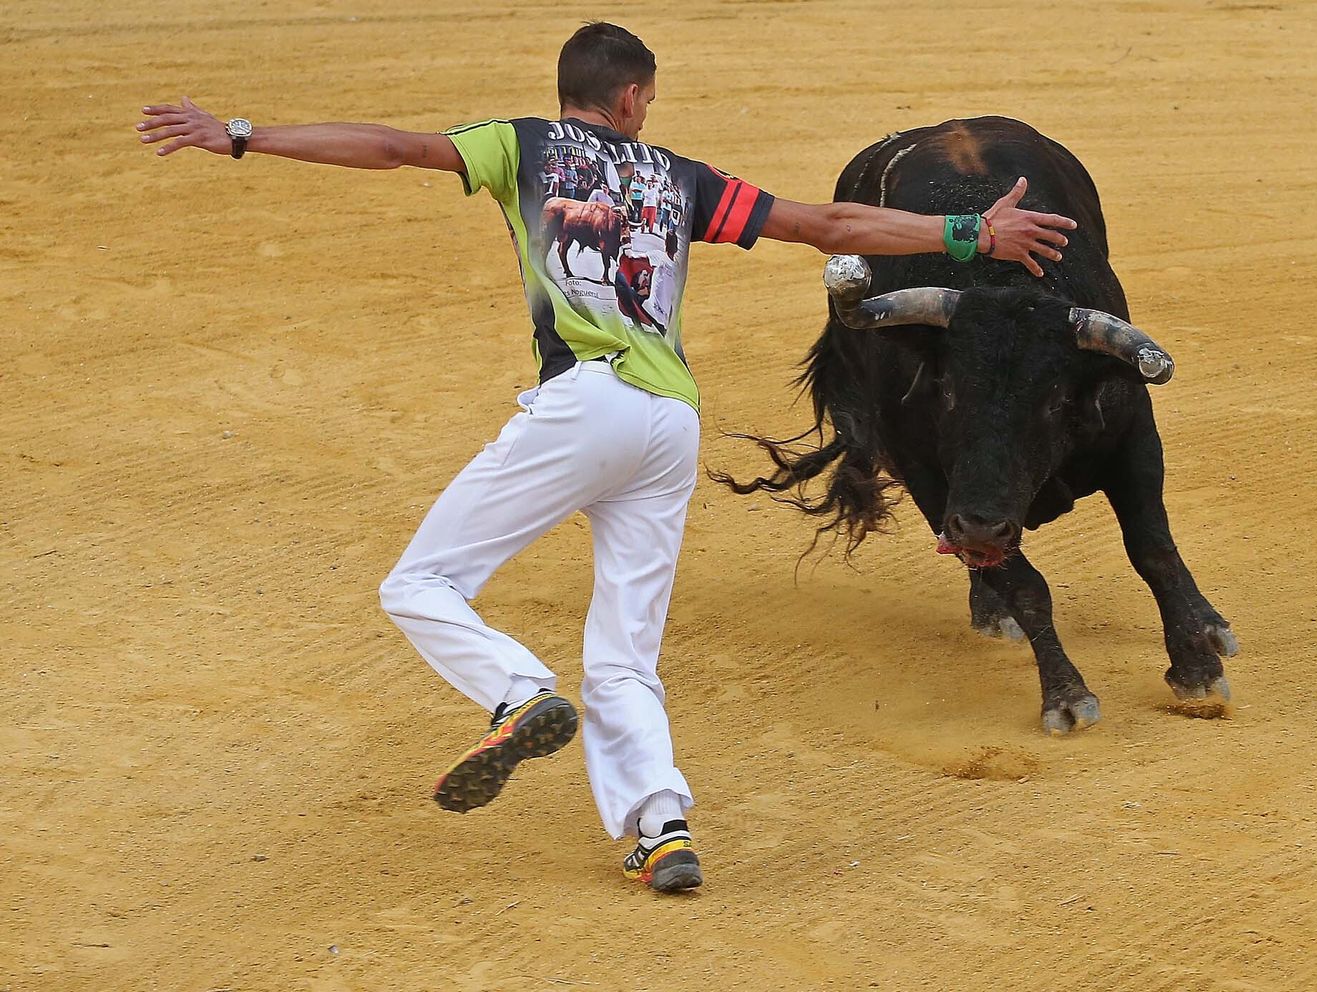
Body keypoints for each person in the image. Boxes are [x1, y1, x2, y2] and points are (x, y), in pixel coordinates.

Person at [134, 21, 1075, 893]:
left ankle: (515, 694)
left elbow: (392, 147)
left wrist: (243, 134)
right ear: (629, 96)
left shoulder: (521, 146)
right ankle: (660, 827)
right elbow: (824, 226)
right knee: (625, 655)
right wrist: (971, 233)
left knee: (421, 584)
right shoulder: (679, 176)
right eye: (648, 99)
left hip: (585, 402)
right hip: (670, 421)